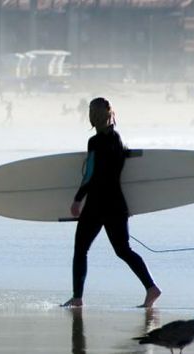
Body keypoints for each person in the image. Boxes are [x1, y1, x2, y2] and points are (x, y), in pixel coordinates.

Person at [62, 97, 160, 308]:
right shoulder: (118, 140)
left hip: (97, 204)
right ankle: (151, 288)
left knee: (81, 250)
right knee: (123, 249)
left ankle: (77, 297)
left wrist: (77, 199)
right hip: (117, 204)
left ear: (92, 117)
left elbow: (90, 174)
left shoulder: (95, 142)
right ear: (110, 114)